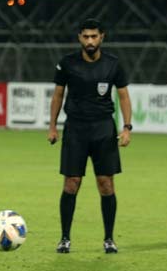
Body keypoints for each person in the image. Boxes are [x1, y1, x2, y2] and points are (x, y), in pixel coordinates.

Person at [47, 18, 132, 254]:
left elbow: (124, 96)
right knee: (71, 183)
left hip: (104, 129)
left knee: (106, 184)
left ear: (102, 37)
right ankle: (64, 238)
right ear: (79, 37)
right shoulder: (67, 64)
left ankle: (109, 239)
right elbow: (57, 96)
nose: (90, 41)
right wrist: (52, 126)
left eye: (94, 36)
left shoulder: (113, 64)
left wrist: (127, 127)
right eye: (86, 36)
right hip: (75, 129)